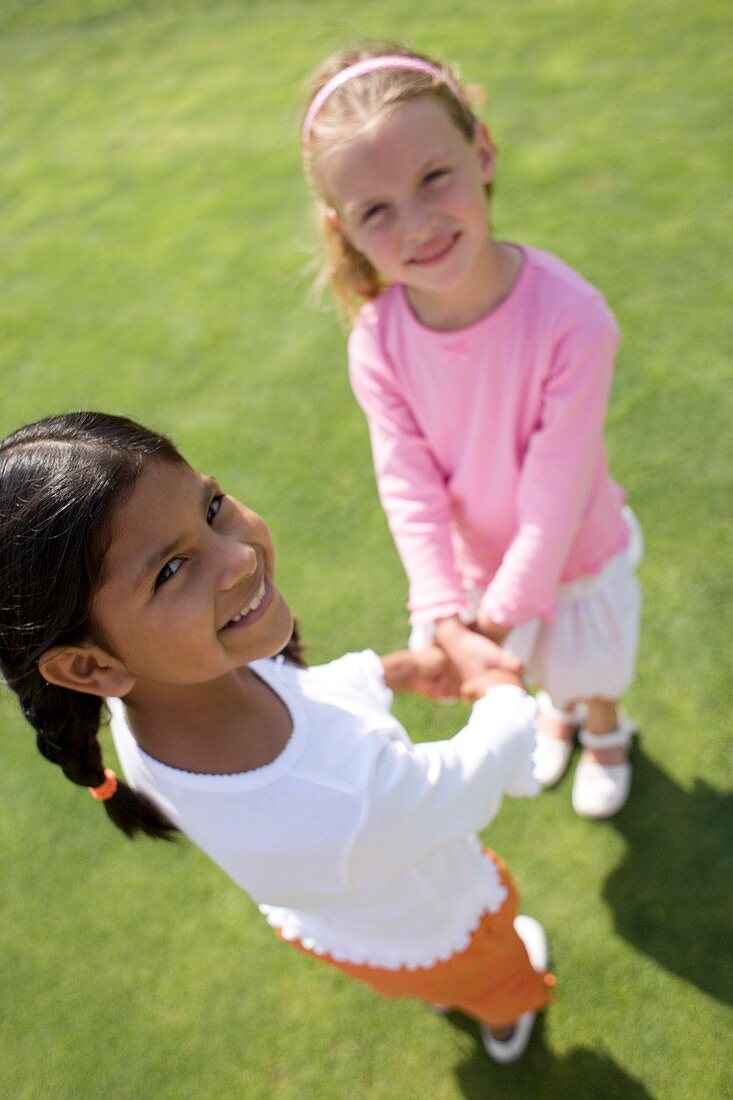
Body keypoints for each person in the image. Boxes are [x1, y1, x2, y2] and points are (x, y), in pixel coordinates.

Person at [0, 411, 555, 1065]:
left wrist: (392, 671)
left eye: (211, 508)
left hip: (355, 931)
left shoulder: (151, 702)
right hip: (447, 921)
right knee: (499, 979)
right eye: (172, 570)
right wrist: (504, 694)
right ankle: (505, 1020)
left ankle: (441, 989)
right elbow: (462, 786)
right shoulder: (348, 798)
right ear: (91, 665)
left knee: (424, 976)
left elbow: (304, 693)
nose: (237, 557)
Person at [300, 42, 643, 819]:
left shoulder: (571, 318)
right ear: (342, 226)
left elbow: (554, 494)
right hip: (475, 577)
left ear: (480, 151)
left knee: (589, 667)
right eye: (375, 210)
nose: (416, 223)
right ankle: (560, 714)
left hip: (574, 555)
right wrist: (443, 609)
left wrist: (483, 626)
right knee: (544, 675)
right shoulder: (377, 340)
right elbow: (407, 484)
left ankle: (604, 728)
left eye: (433, 177)